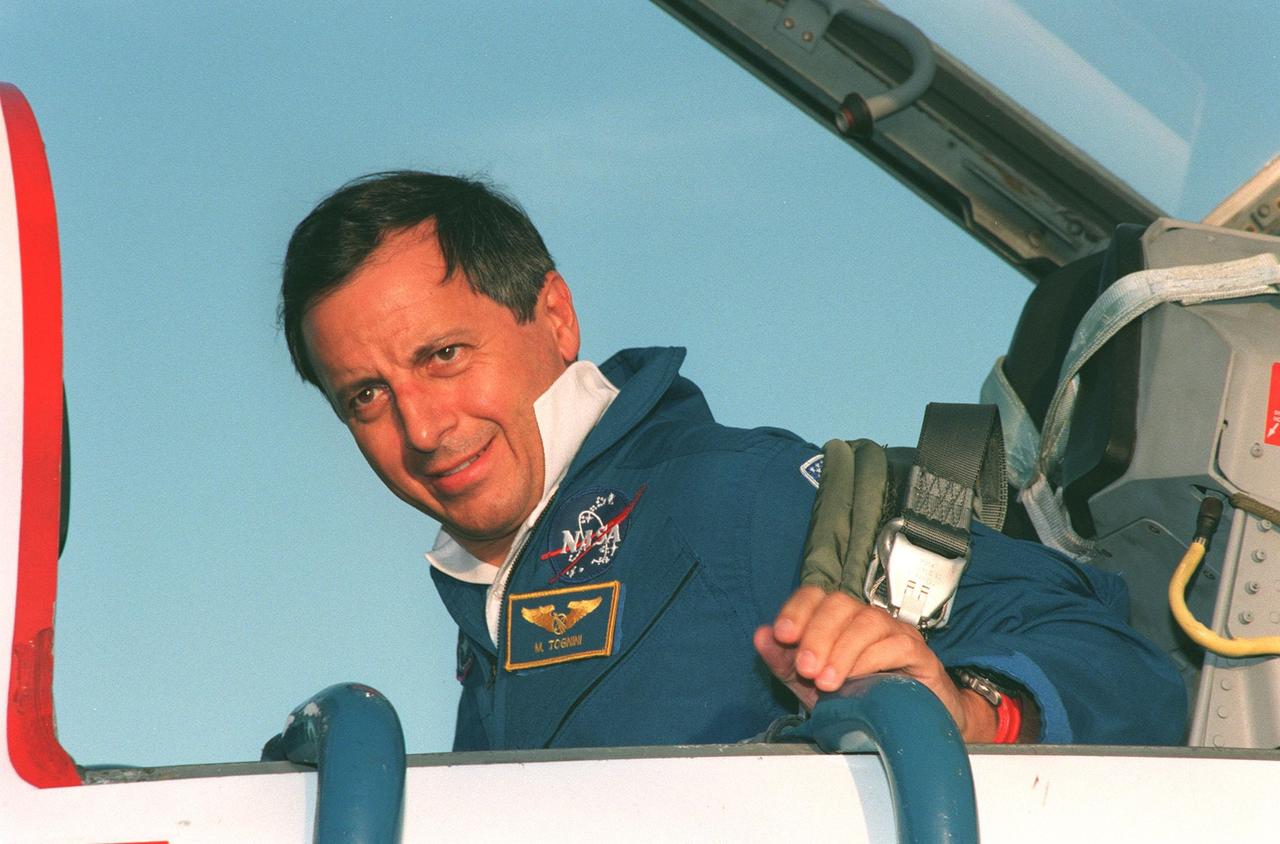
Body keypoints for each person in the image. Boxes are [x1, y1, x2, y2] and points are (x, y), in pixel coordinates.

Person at [279, 170, 1186, 751]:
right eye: (366, 396)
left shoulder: (733, 496)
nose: (424, 428)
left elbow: (1123, 667)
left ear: (554, 316)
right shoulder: (495, 602)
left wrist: (973, 710)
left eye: (444, 356)